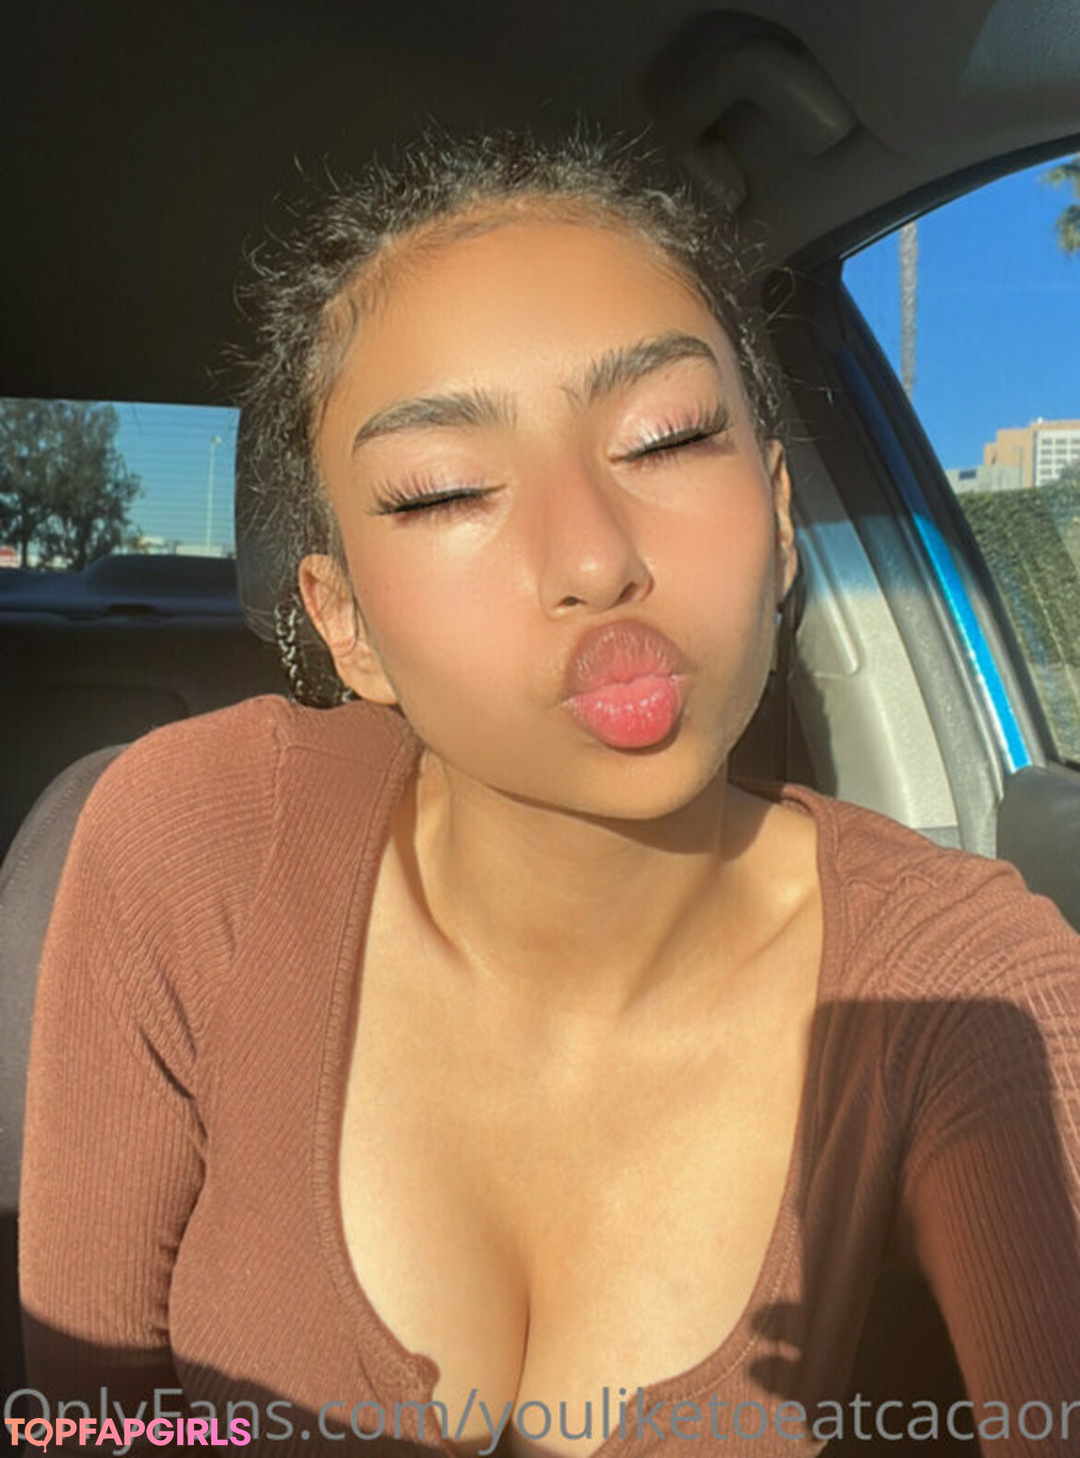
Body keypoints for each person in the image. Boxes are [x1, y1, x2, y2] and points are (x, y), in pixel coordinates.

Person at [18, 132, 1080, 1457]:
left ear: (777, 513)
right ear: (345, 627)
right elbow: (90, 1424)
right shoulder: (192, 839)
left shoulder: (966, 982)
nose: (592, 557)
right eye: (445, 491)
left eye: (666, 437)